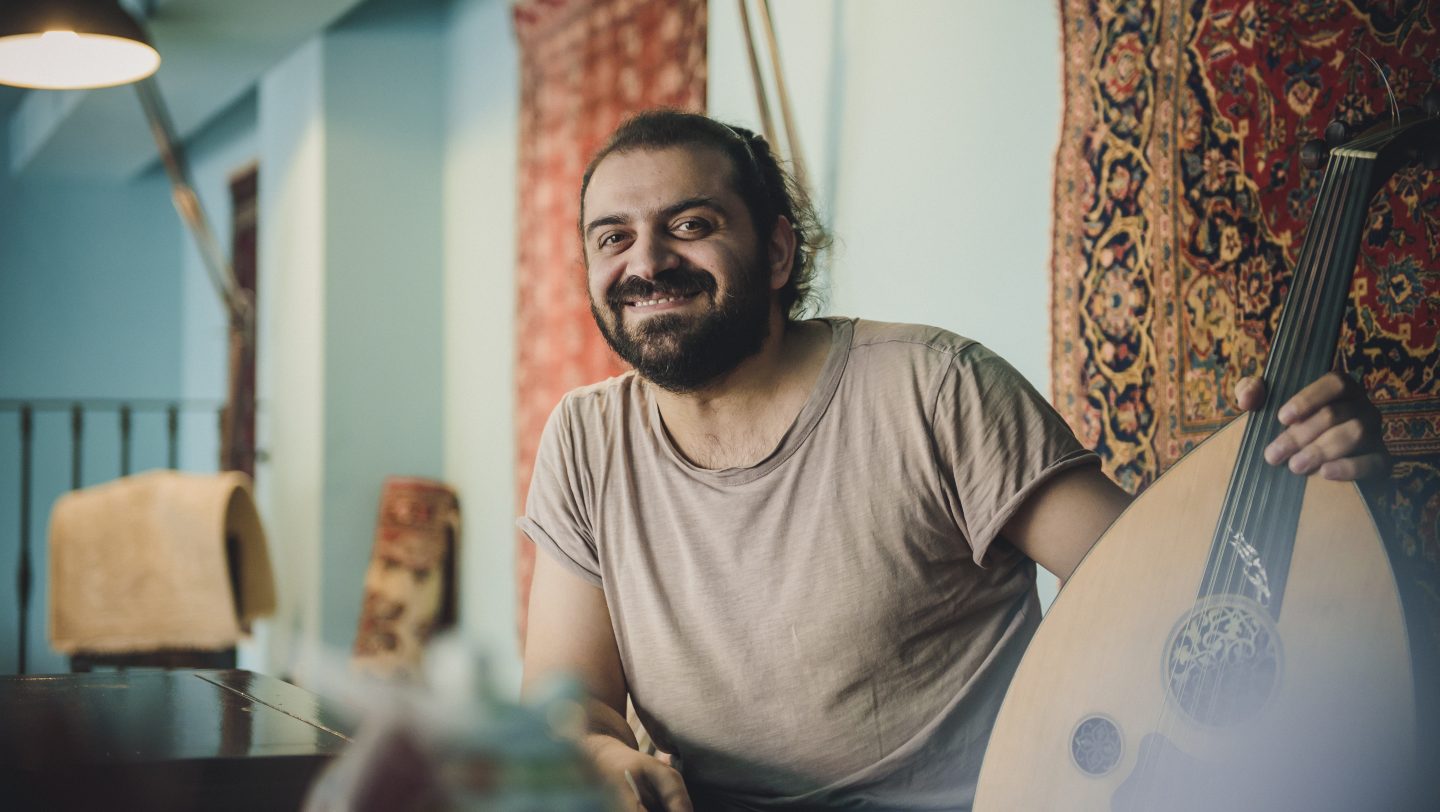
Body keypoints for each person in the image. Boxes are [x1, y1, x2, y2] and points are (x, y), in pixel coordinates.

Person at [303, 110, 1388, 812]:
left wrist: (1309, 473)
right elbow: (576, 699)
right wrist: (600, 757)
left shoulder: (936, 387)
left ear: (777, 250)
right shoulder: (586, 435)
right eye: (612, 237)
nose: (646, 263)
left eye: (688, 224)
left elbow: (1159, 596)